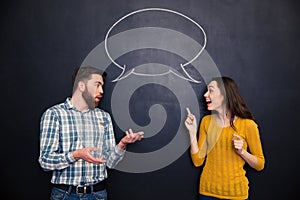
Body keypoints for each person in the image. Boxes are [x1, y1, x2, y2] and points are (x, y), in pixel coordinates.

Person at [39, 66, 144, 200]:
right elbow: (45, 161)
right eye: (97, 85)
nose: (101, 91)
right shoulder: (54, 114)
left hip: (97, 194)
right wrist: (76, 155)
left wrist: (122, 144)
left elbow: (110, 163)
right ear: (81, 85)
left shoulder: (103, 117)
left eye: (102, 86)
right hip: (65, 195)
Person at [185, 77, 265, 200]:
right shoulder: (206, 122)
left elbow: (260, 164)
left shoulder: (248, 125)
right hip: (207, 193)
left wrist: (242, 152)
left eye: (210, 91)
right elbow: (197, 161)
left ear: (225, 95)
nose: (205, 95)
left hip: (236, 195)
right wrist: (191, 132)